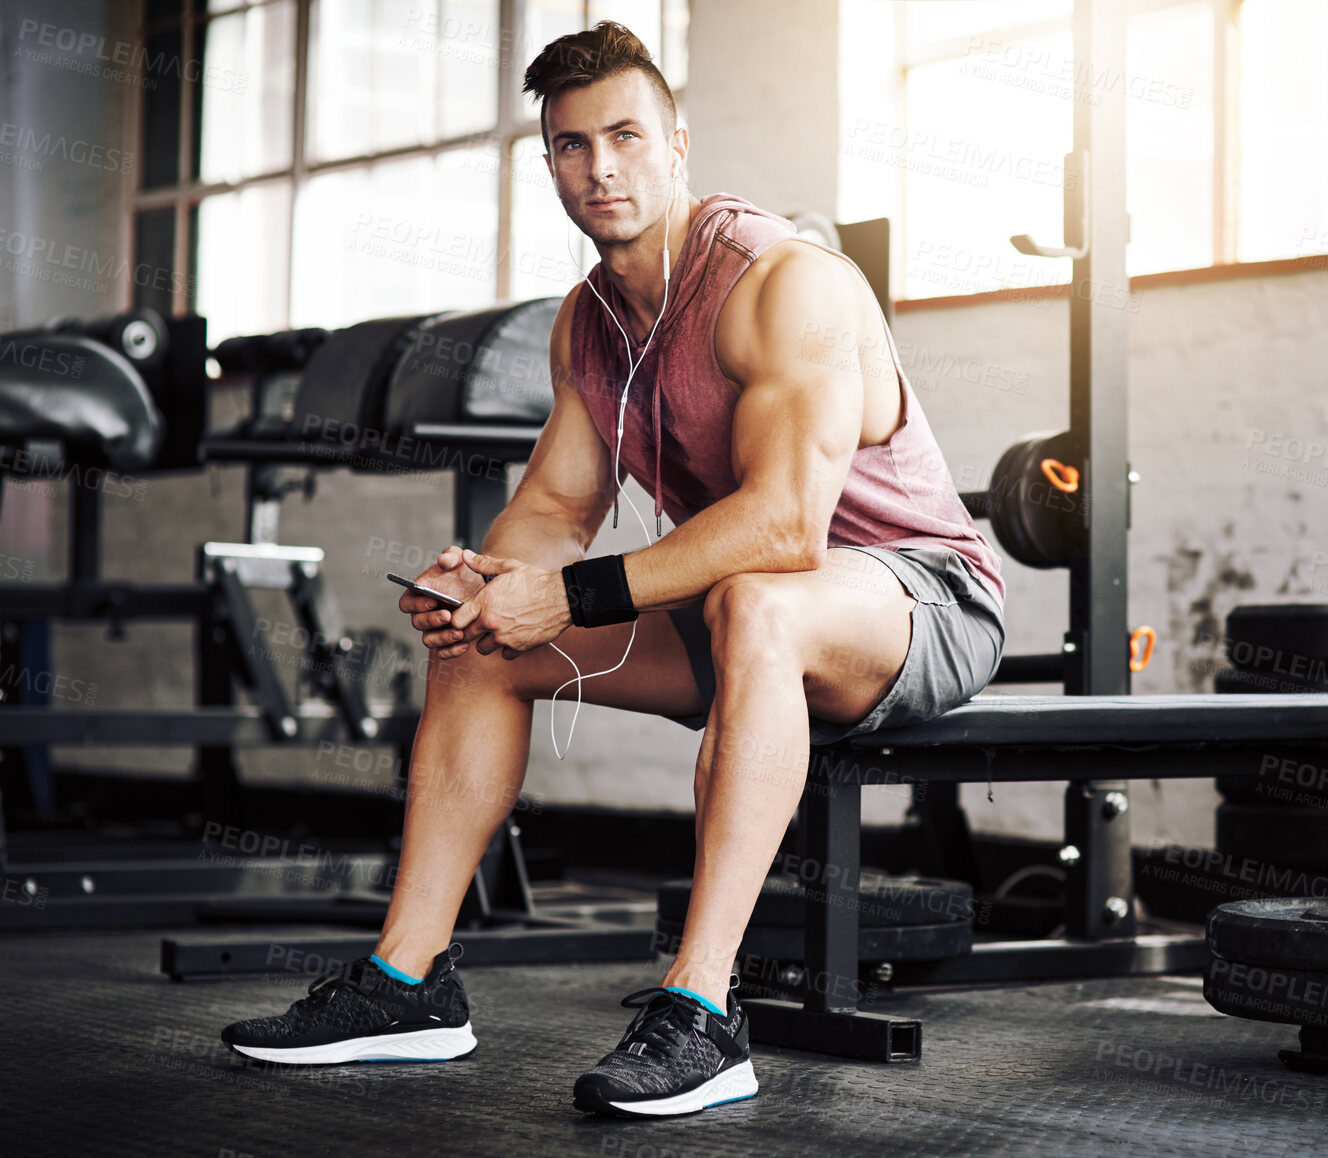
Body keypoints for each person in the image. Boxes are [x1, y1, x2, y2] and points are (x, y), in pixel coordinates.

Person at [221, 21, 1004, 1119]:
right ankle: (408, 983)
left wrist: (575, 592)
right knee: (485, 645)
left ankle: (701, 1013)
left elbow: (784, 525)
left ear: (678, 143)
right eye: (571, 146)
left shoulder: (783, 285)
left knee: (755, 603)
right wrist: (488, 583)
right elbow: (555, 503)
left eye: (626, 136)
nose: (601, 168)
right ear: (548, 163)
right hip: (741, 606)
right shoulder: (588, 324)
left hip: (916, 599)